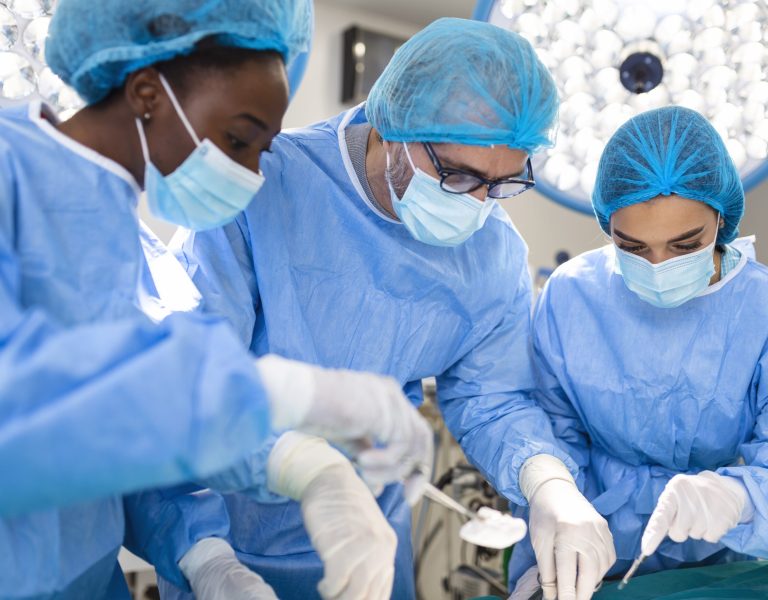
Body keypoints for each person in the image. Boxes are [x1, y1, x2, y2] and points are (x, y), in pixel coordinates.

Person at [123, 17, 614, 600]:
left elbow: (492, 397)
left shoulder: (493, 252)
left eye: (504, 184)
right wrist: (206, 558)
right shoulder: (264, 185)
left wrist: (548, 482)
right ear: (392, 127)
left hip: (372, 552)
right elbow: (189, 390)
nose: (480, 205)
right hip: (233, 543)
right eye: (458, 176)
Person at [0, 1, 433, 598]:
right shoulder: (8, 173)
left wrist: (301, 475)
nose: (251, 176)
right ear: (148, 92)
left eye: (262, 152)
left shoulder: (128, 242)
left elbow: (144, 426)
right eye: (237, 140)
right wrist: (284, 392)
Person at [510, 106, 768, 599]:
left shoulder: (759, 308)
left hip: (718, 559)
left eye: (685, 245)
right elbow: (551, 435)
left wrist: (740, 498)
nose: (657, 265)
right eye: (631, 247)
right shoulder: (573, 294)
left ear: (721, 216)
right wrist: (554, 527)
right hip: (593, 546)